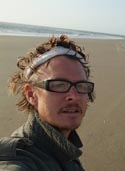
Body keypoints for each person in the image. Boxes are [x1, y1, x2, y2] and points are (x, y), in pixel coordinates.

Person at [0, 35, 95, 171]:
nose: (74, 96)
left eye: (81, 86)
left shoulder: (64, 148)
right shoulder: (20, 160)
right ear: (31, 94)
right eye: (59, 85)